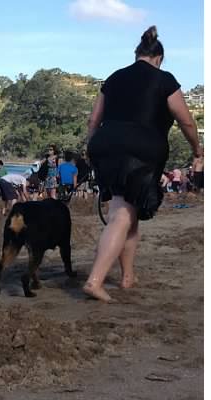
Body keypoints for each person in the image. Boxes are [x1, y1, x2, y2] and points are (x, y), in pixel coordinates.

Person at [83, 26, 203, 302]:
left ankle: (127, 277)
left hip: (105, 144)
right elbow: (185, 119)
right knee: (122, 216)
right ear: (158, 58)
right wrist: (197, 148)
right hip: (141, 149)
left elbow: (93, 120)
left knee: (127, 212)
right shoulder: (164, 79)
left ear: (137, 54)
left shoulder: (114, 78)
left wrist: (91, 146)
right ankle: (95, 280)